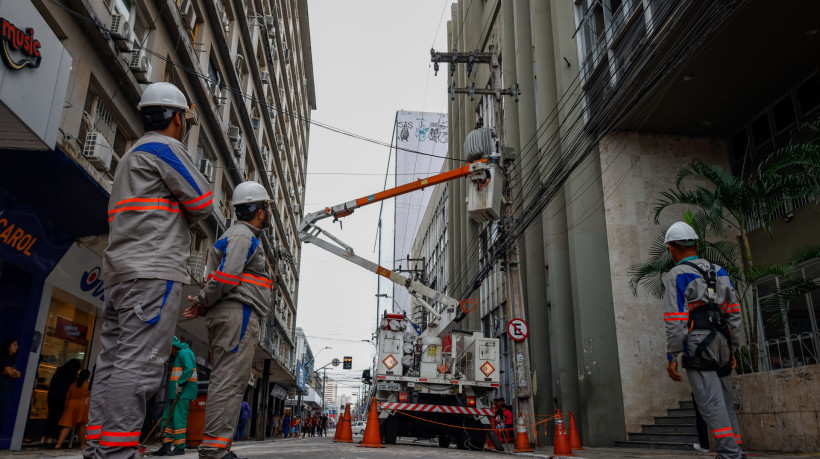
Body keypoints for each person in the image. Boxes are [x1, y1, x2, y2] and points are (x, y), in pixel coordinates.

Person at [84, 81, 213, 459]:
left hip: (120, 271)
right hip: (152, 271)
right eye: (185, 119)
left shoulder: (129, 156)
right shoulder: (164, 147)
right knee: (139, 367)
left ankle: (97, 446)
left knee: (111, 362)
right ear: (178, 118)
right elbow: (203, 201)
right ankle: (116, 452)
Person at [184, 181, 273, 459]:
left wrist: (203, 302)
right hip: (239, 314)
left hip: (232, 312)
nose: (268, 211)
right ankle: (214, 450)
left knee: (229, 379)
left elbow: (222, 276)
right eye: (267, 207)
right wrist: (201, 302)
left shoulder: (235, 235)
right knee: (229, 381)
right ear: (259, 210)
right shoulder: (243, 237)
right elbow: (226, 277)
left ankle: (218, 447)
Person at [663, 222, 745, 459]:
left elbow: (675, 319)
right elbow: (734, 313)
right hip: (722, 340)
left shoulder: (677, 274)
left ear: (671, 249)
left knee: (709, 402)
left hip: (698, 343)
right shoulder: (720, 271)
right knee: (724, 399)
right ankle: (736, 449)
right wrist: (734, 350)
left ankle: (730, 454)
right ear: (696, 245)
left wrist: (672, 355)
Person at [153, 336, 199, 456]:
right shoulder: (180, 354)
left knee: (179, 419)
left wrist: (180, 383)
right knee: (167, 418)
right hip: (177, 393)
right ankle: (166, 445)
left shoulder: (184, 353)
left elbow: (188, 370)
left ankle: (179, 447)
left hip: (183, 393)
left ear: (173, 346)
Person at [45, 359, 81, 444]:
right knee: (59, 417)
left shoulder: (59, 370)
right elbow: (73, 385)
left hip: (52, 396)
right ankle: (54, 437)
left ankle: (47, 436)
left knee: (51, 416)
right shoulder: (72, 373)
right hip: (62, 398)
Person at [55, 369, 91, 449]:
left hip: (71, 405)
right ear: (88, 376)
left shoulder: (72, 385)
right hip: (82, 406)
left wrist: (66, 407)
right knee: (82, 426)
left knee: (67, 426)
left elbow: (67, 397)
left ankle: (58, 444)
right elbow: (90, 397)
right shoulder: (88, 385)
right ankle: (82, 445)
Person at [0, 339, 22, 430]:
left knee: (3, 415)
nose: (17, 347)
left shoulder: (12, 359)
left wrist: (14, 372)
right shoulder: (4, 357)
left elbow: (18, 374)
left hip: (7, 390)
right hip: (2, 389)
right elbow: (10, 373)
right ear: (8, 345)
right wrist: (13, 372)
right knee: (2, 413)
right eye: (15, 344)